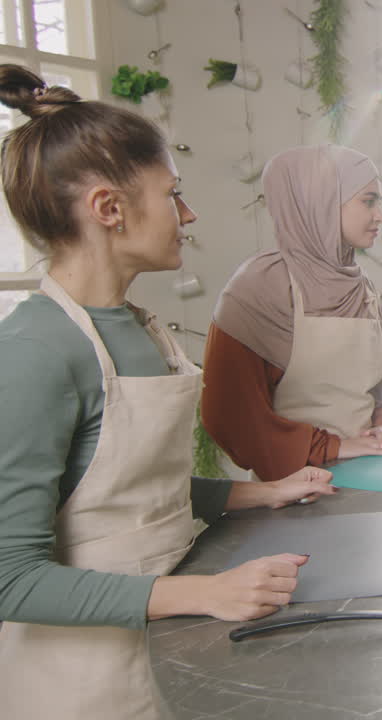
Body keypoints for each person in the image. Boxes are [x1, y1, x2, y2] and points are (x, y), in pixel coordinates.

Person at [0, 65, 336, 719]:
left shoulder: (139, 330)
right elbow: (11, 577)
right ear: (109, 209)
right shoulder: (34, 351)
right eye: (172, 195)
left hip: (160, 644)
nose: (189, 213)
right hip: (75, 682)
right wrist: (204, 593)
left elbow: (128, 492)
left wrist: (262, 491)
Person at [202, 146, 382, 481]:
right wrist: (331, 447)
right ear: (323, 202)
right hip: (294, 487)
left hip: (372, 474)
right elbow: (229, 415)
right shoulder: (260, 286)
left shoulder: (362, 287)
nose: (380, 216)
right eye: (368, 201)